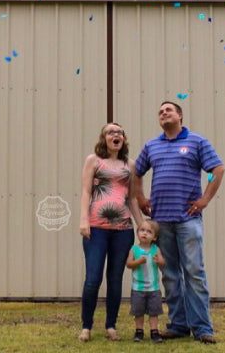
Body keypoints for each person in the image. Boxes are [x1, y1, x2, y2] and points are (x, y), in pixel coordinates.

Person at [134, 101, 225, 345]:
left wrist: (205, 199)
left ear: (180, 115)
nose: (163, 113)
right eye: (160, 111)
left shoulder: (197, 142)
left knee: (194, 273)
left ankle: (203, 328)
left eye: (168, 110)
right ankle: (178, 325)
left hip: (188, 221)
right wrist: (141, 197)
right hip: (161, 222)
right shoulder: (152, 146)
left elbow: (217, 169)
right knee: (170, 275)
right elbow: (136, 172)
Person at [78, 122, 142, 343]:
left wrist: (141, 223)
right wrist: (83, 220)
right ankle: (86, 326)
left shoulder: (130, 165)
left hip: (123, 230)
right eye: (110, 132)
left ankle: (111, 326)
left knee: (115, 279)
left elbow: (132, 199)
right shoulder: (93, 161)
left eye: (119, 132)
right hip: (96, 229)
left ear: (123, 138)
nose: (115, 135)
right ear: (103, 138)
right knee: (93, 279)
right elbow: (86, 192)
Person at [126, 218, 166, 343]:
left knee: (154, 312)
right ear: (138, 233)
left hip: (154, 288)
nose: (144, 233)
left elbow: (163, 263)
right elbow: (129, 264)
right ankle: (139, 331)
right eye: (142, 230)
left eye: (149, 232)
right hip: (138, 288)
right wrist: (138, 261)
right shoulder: (134, 249)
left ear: (154, 237)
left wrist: (159, 261)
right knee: (139, 311)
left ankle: (154, 331)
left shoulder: (156, 249)